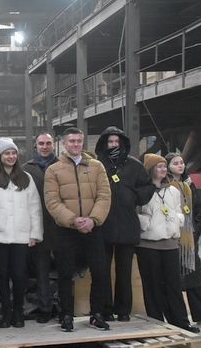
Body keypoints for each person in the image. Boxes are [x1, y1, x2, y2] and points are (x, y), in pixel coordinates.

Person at [42, 127, 112, 332]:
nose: (75, 144)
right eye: (71, 141)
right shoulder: (53, 170)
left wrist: (93, 219)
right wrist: (73, 220)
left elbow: (104, 196)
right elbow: (52, 201)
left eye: (79, 141)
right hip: (66, 231)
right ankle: (66, 315)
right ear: (64, 144)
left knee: (99, 273)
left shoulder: (97, 167)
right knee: (65, 275)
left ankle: (96, 314)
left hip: (93, 229)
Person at [0, 138, 42, 329]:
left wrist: (34, 233)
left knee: (20, 275)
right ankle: (5, 314)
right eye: (7, 153)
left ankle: (18, 313)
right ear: (0, 156)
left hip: (21, 236)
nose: (11, 156)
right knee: (2, 275)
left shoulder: (26, 178)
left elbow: (34, 207)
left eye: (13, 153)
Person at [95, 126, 157, 322]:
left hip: (126, 225)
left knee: (124, 272)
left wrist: (133, 197)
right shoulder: (98, 165)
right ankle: (105, 310)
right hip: (102, 225)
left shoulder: (134, 165)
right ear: (104, 144)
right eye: (110, 142)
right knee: (102, 271)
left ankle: (123, 310)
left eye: (116, 142)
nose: (114, 145)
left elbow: (147, 186)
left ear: (122, 143)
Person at [136, 154, 199, 333]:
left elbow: (179, 211)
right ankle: (156, 320)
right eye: (159, 167)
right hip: (148, 245)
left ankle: (180, 321)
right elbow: (135, 213)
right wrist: (146, 223)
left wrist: (177, 220)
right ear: (150, 169)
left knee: (173, 285)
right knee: (152, 285)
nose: (163, 170)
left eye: (165, 166)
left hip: (170, 244)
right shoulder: (142, 191)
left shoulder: (173, 191)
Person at [165, 153, 201, 329]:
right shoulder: (166, 185)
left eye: (182, 162)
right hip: (172, 240)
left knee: (195, 278)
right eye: (175, 163)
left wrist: (195, 234)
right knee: (174, 281)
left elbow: (197, 212)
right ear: (168, 166)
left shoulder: (189, 184)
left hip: (189, 241)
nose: (180, 165)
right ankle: (176, 318)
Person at [21, 133, 59, 323]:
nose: (45, 147)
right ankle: (45, 308)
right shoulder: (26, 169)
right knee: (42, 271)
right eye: (41, 144)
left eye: (48, 143)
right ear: (35, 146)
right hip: (39, 227)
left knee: (65, 271)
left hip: (62, 227)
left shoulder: (63, 166)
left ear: (54, 145)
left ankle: (64, 308)